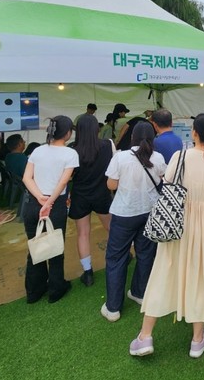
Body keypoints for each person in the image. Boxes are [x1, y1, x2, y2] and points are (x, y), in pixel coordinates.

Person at [129, 113, 204, 359]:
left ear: (194, 132)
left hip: (177, 222)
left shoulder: (180, 156)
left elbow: (168, 186)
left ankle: (145, 336)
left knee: (164, 272)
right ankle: (197, 339)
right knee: (201, 274)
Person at [102, 122, 167, 321]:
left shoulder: (120, 157)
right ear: (153, 138)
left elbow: (111, 185)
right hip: (150, 211)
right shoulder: (158, 157)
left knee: (116, 258)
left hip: (124, 213)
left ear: (132, 137)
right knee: (146, 254)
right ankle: (139, 293)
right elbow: (163, 179)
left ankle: (113, 307)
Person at [22, 116, 79, 304]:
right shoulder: (70, 154)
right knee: (55, 247)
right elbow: (62, 182)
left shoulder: (37, 150)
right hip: (55, 205)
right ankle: (56, 289)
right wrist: (48, 203)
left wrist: (40, 197)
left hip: (33, 203)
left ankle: (34, 291)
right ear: (68, 133)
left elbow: (26, 178)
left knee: (35, 246)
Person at [69, 114, 114, 287]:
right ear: (97, 129)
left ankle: (87, 273)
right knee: (112, 228)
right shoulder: (108, 145)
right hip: (102, 193)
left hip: (80, 195)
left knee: (83, 233)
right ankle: (120, 257)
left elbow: (68, 176)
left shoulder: (72, 150)